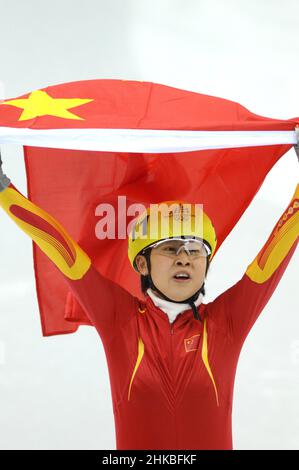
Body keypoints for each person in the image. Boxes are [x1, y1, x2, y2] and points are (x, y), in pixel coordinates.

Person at [0, 154, 298, 450]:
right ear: (142, 265)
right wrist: (3, 189)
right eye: (170, 249)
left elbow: (273, 254)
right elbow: (61, 249)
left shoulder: (226, 322)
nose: (184, 258)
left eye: (195, 250)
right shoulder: (120, 319)